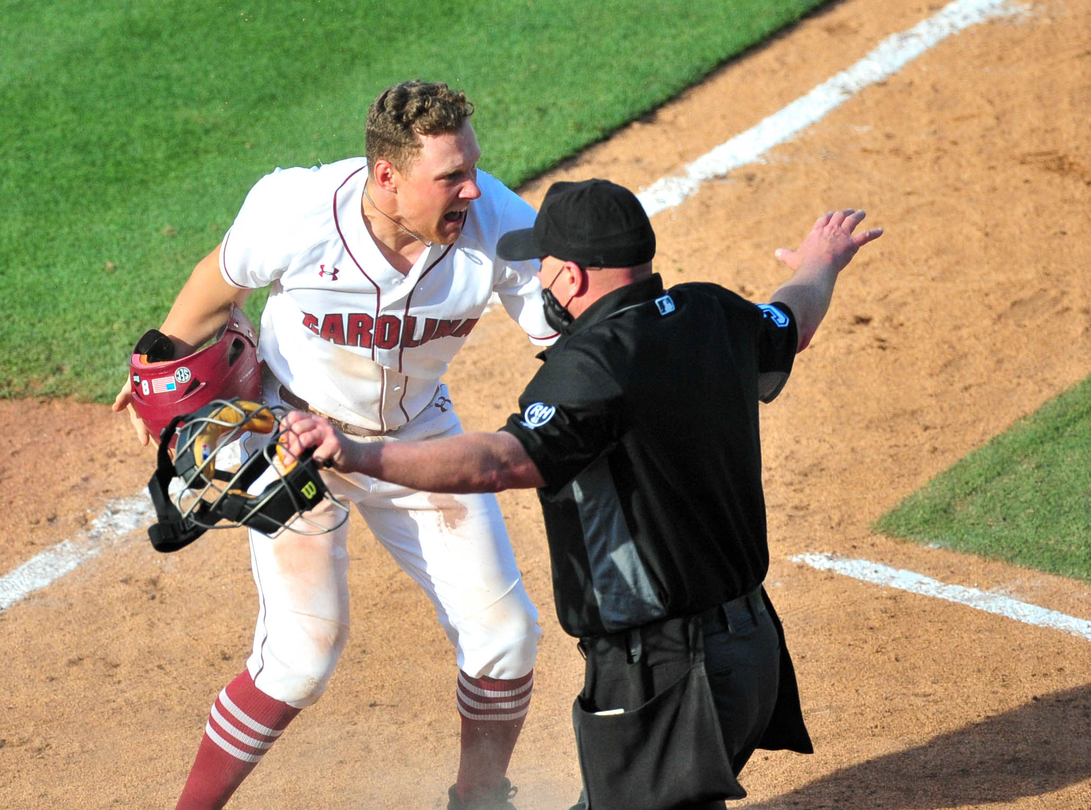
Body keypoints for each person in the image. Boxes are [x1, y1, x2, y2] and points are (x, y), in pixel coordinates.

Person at [282, 178, 884, 809]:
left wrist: (358, 453)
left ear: (570, 278)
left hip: (666, 678)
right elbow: (793, 318)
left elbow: (501, 462)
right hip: (751, 650)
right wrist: (822, 261)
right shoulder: (714, 312)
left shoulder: (590, 366)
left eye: (543, 265)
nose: (538, 279)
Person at [112, 80, 559, 810]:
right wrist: (159, 366)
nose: (473, 190)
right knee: (299, 660)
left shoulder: (499, 224)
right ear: (388, 176)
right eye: (451, 176)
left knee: (506, 636)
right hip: (288, 442)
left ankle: (480, 801)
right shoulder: (297, 210)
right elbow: (211, 289)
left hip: (418, 444)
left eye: (472, 168)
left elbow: (566, 340)